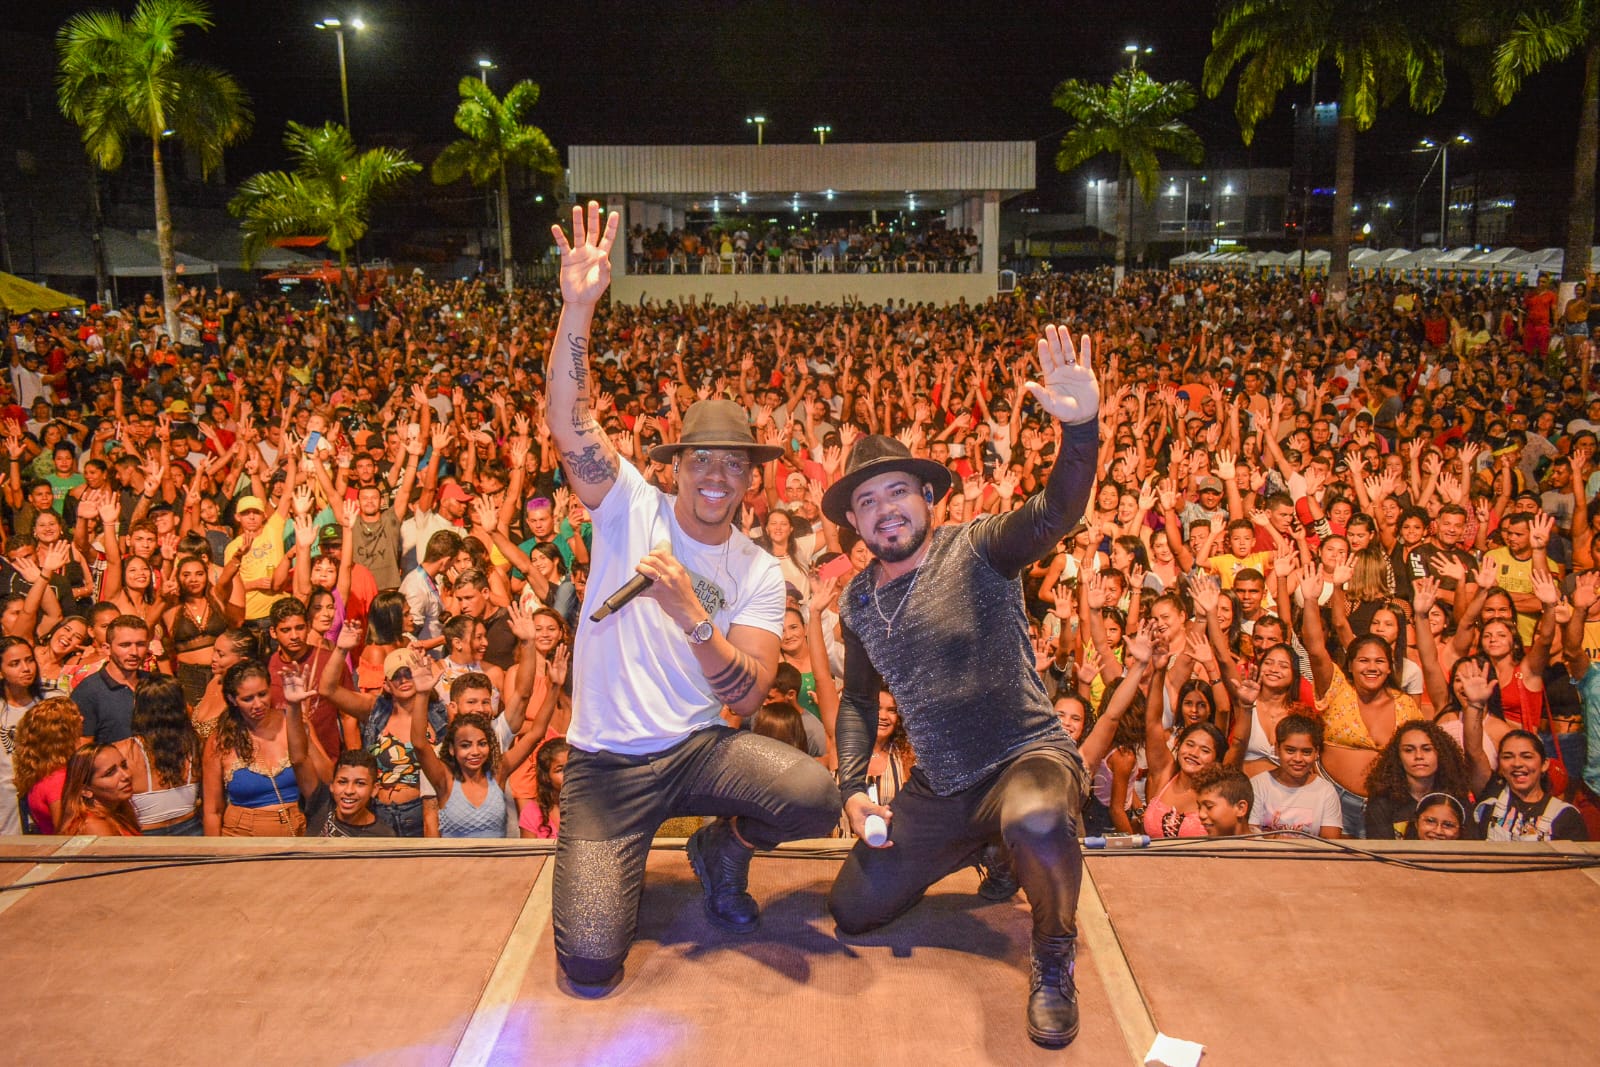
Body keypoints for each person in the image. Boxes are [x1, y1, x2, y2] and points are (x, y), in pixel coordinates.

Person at [544, 204, 840, 989]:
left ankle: (721, 851)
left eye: (733, 464)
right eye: (702, 458)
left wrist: (693, 615)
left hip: (698, 751)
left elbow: (746, 693)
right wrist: (580, 306)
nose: (716, 475)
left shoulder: (757, 570)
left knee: (814, 796)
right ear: (677, 465)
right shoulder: (628, 504)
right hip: (606, 764)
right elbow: (570, 423)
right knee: (591, 963)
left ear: (752, 479)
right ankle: (618, 858)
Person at [826, 324, 1100, 1049]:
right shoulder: (856, 601)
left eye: (897, 492)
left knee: (1037, 820)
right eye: (868, 502)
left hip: (1025, 757)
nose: (885, 509)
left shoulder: (977, 547)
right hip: (942, 787)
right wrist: (852, 782)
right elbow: (857, 700)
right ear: (853, 521)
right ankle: (987, 847)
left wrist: (1080, 430)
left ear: (926, 496)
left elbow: (1058, 512)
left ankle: (1052, 956)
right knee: (853, 908)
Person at [1459, 661, 1587, 841]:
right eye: (1507, 757)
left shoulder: (1566, 817)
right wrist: (1474, 705)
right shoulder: (1492, 794)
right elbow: (1473, 752)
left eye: (1527, 756)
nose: (1517, 763)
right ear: (1500, 765)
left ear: (1544, 764)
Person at [117, 674, 203, 835]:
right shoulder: (195, 744)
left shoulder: (122, 751)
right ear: (181, 707)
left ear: (138, 706)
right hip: (192, 831)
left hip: (146, 836)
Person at [1246, 715, 1343, 838]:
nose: (1298, 759)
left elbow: (1331, 845)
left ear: (1316, 752)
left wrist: (1275, 839)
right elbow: (1249, 835)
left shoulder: (1326, 791)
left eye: (1306, 752)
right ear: (1277, 749)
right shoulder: (1258, 785)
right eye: (1290, 751)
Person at [11, 697, 83, 833]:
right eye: (75, 718)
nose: (82, 719)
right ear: (62, 734)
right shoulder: (59, 782)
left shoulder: (44, 774)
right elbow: (68, 835)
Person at [57, 742, 141, 836]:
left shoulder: (117, 810)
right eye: (110, 773)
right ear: (85, 790)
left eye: (124, 765)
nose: (126, 775)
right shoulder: (93, 826)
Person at [518, 738, 569, 839]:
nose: (568, 774)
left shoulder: (592, 807)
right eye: (560, 770)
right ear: (546, 777)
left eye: (572, 767)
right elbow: (529, 854)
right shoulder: (532, 813)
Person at [1193, 764, 1254, 837]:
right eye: (1199, 807)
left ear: (1241, 808)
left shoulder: (1265, 847)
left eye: (1209, 807)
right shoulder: (1198, 846)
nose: (1201, 815)